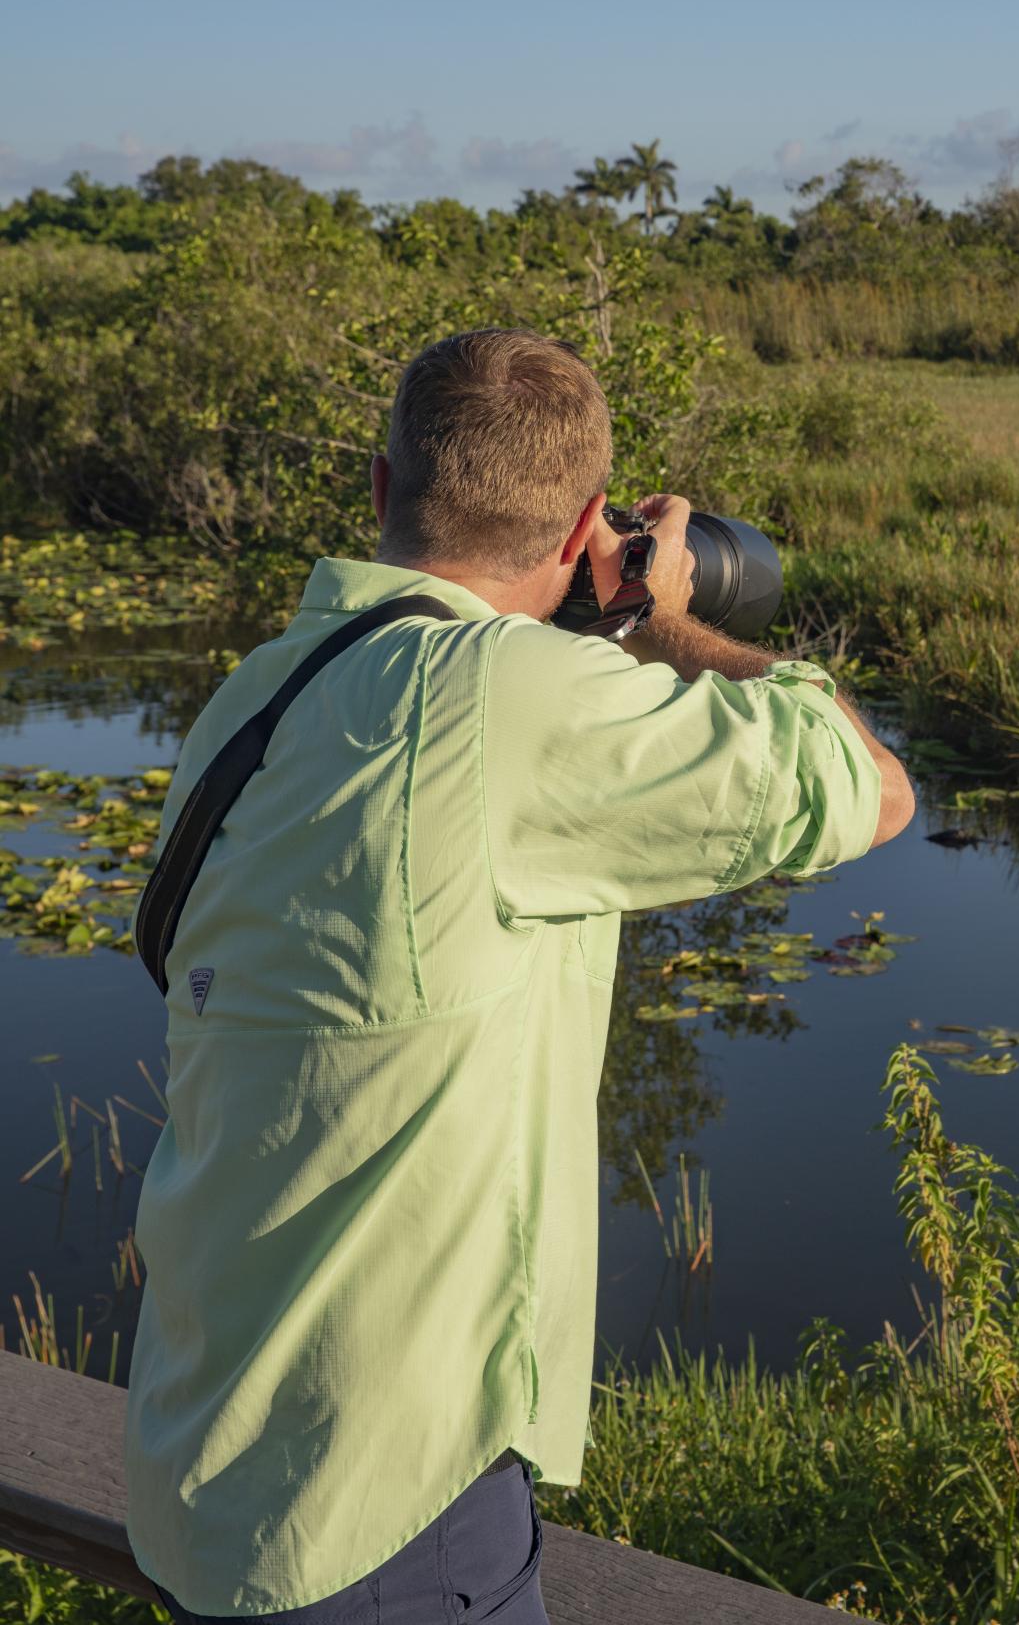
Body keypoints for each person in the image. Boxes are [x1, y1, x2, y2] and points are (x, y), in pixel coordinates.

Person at [124, 326, 915, 1624]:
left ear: (381, 493)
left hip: (207, 1461)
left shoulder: (255, 697)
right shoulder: (516, 707)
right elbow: (873, 790)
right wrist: (667, 621)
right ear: (585, 527)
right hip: (384, 1515)